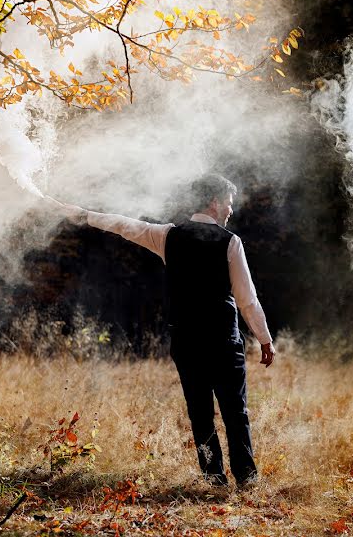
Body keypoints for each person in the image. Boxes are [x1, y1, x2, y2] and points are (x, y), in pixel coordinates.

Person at [53, 175, 275, 490]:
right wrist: (264, 339)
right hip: (224, 342)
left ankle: (214, 481)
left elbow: (122, 225)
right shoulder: (230, 241)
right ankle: (247, 480)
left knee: (200, 413)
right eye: (228, 203)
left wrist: (85, 215)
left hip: (186, 342)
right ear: (213, 202)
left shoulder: (167, 236)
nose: (230, 210)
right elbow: (247, 300)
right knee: (236, 411)